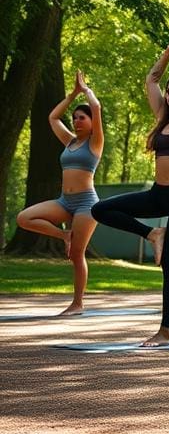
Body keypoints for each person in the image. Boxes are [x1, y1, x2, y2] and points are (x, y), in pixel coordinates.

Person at [91, 19, 169, 346]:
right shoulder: (162, 118)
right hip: (158, 195)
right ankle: (152, 233)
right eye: (168, 92)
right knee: (101, 209)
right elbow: (152, 77)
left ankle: (165, 330)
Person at [16, 71, 103, 316]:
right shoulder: (69, 141)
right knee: (24, 218)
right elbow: (53, 117)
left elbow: (96, 107)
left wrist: (85, 90)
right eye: (75, 118)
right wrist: (72, 94)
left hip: (87, 204)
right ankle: (64, 235)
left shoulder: (95, 142)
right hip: (65, 201)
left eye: (82, 118)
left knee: (77, 255)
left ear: (91, 122)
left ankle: (77, 304)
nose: (76, 121)